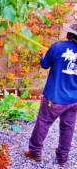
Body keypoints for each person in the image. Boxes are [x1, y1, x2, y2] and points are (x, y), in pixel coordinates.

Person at [24, 22, 77, 165]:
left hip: (54, 97)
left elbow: (45, 64)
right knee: (68, 128)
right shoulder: (58, 47)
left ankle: (35, 152)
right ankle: (62, 158)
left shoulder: (58, 47)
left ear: (70, 33)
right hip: (73, 99)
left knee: (43, 123)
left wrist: (43, 56)